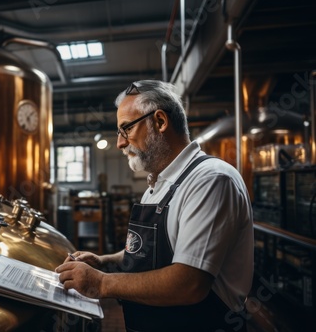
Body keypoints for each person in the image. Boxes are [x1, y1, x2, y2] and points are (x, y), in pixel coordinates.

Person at [56, 80, 254, 332]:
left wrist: (103, 283)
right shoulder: (159, 183)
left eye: (125, 129)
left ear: (160, 122)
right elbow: (150, 252)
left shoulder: (210, 181)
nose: (120, 143)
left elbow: (189, 284)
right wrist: (105, 261)